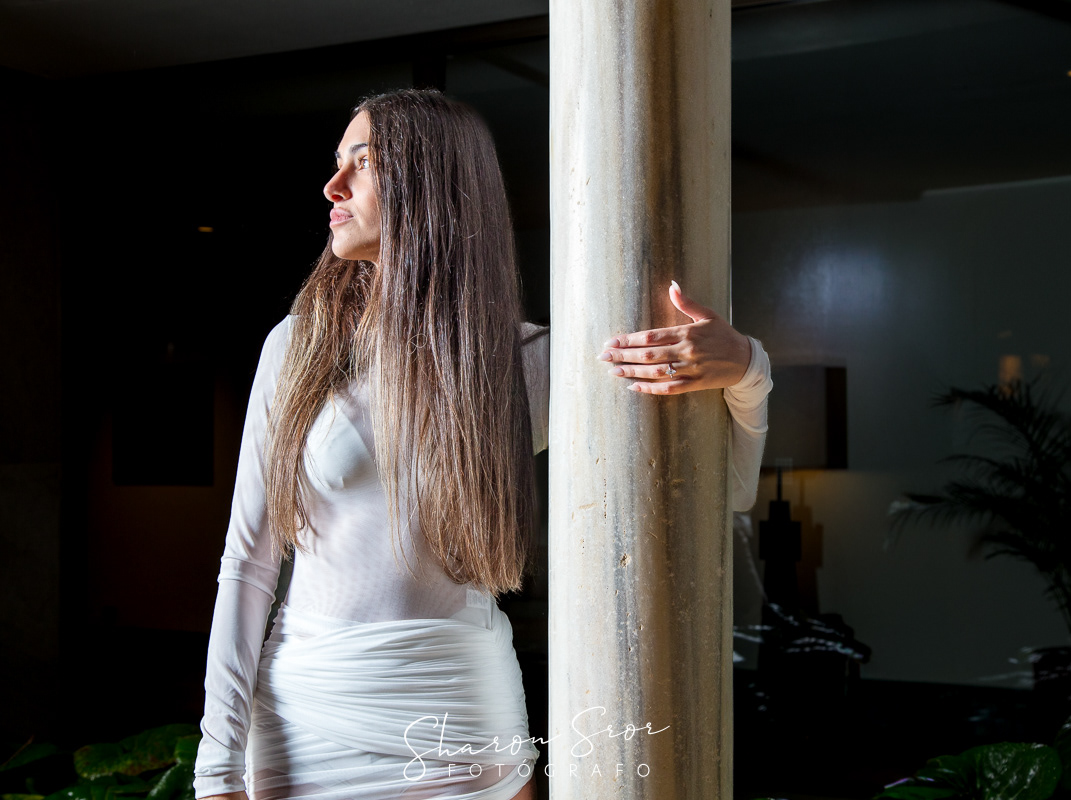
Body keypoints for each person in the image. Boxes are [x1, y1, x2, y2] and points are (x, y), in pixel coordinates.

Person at [192, 88, 772, 800]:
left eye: (362, 163)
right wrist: (217, 762)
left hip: (460, 713)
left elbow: (726, 489)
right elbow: (248, 563)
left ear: (431, 183)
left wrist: (749, 369)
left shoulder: (531, 362)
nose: (332, 186)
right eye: (337, 162)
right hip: (307, 712)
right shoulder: (298, 347)